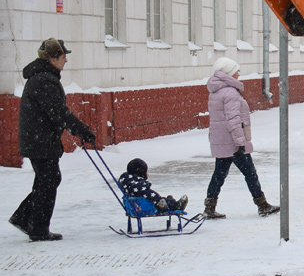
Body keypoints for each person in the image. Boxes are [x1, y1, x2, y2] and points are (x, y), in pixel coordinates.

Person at [8, 38, 96, 242]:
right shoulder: (44, 80)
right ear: (53, 59)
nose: (66, 61)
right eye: (63, 57)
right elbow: (59, 112)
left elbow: (56, 113)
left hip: (38, 139)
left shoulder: (43, 77)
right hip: (40, 141)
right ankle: (36, 227)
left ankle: (27, 219)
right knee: (48, 181)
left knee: (47, 180)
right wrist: (82, 130)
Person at [202, 58, 279, 219]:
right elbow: (233, 120)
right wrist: (240, 143)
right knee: (250, 173)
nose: (239, 73)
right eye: (237, 70)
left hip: (221, 140)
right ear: (229, 73)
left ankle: (209, 207)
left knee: (219, 174)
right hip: (233, 142)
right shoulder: (230, 93)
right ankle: (262, 205)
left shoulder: (216, 91)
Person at [117, 158, 188, 213]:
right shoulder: (141, 188)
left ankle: (169, 201)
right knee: (159, 200)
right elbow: (154, 198)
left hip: (134, 207)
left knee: (160, 199)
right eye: (146, 171)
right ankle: (175, 205)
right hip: (147, 207)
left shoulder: (129, 184)